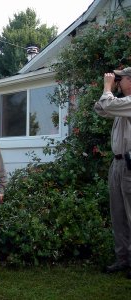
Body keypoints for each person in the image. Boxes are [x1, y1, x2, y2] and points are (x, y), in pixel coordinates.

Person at [94, 67, 131, 279]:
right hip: (117, 164)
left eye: (121, 78)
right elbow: (101, 108)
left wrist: (108, 87)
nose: (117, 81)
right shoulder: (121, 104)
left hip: (129, 165)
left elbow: (107, 104)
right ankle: (122, 259)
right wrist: (110, 91)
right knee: (118, 214)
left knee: (130, 213)